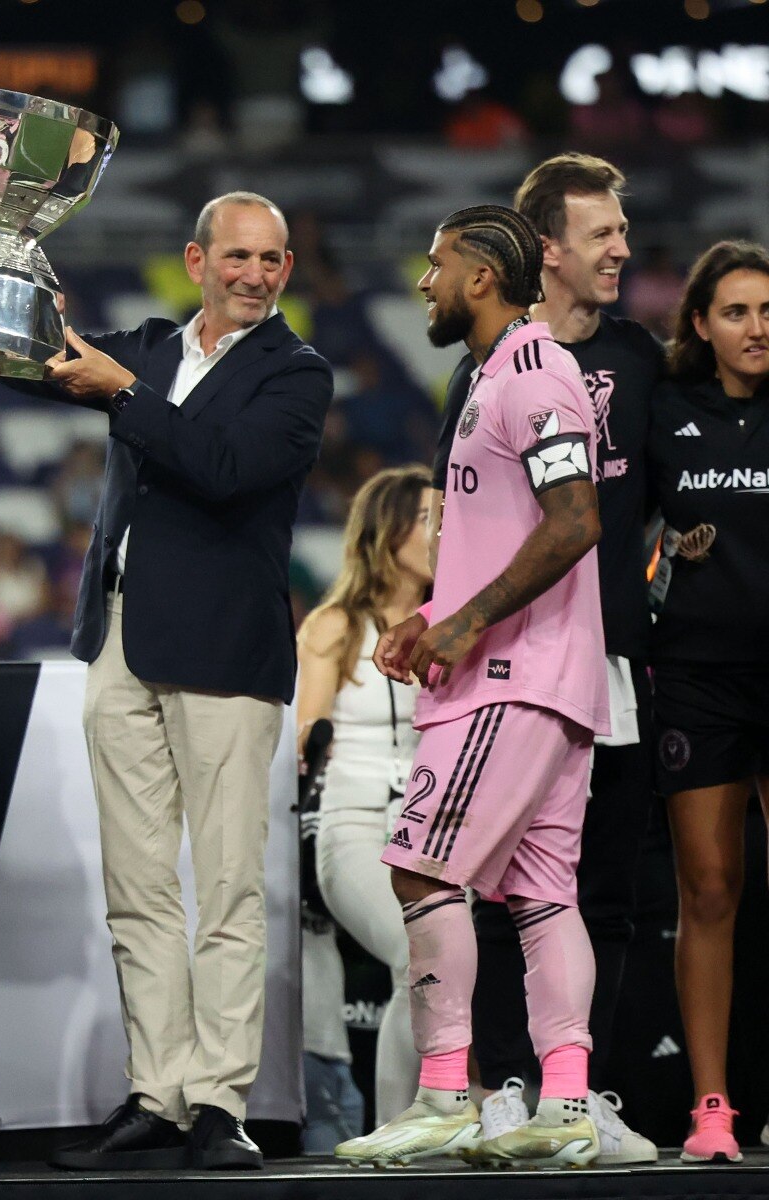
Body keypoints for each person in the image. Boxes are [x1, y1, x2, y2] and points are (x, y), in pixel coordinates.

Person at [0, 180, 332, 1169]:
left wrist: (127, 397)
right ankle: (161, 1092)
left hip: (226, 651)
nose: (256, 276)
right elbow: (25, 353)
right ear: (197, 262)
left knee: (227, 887)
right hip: (121, 641)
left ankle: (221, 1102)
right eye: (239, 256)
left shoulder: (295, 373)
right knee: (138, 886)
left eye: (272, 260)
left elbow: (227, 466)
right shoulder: (145, 345)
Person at [337, 204, 609, 1169]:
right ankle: (569, 1103)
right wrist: (434, 611)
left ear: (482, 277)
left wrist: (462, 624)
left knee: (419, 867)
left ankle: (448, 1091)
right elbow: (514, 529)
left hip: (510, 677)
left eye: (436, 262)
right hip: (541, 674)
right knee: (541, 895)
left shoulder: (533, 373)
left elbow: (575, 520)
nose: (424, 280)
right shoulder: (497, 375)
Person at [430, 153, 662, 1164]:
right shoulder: (485, 368)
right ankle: (507, 1091)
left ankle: (573, 1090)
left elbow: (649, 494)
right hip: (507, 658)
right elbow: (458, 516)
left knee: (583, 886)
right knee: (499, 883)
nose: (624, 249)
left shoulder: (637, 359)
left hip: (595, 658)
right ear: (548, 249)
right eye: (604, 233)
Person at [645, 241, 769, 1163]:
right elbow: (619, 536)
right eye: (736, 312)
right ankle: (713, 1109)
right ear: (700, 324)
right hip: (696, 675)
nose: (757, 329)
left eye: (768, 313)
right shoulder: (666, 411)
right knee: (711, 890)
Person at [295, 466, 433, 1134]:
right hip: (353, 832)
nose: (445, 530)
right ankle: (399, 1132)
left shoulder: (462, 621)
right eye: (430, 518)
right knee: (422, 953)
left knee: (461, 962)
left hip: (441, 833)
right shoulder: (334, 626)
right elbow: (306, 741)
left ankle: (463, 1119)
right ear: (390, 530)